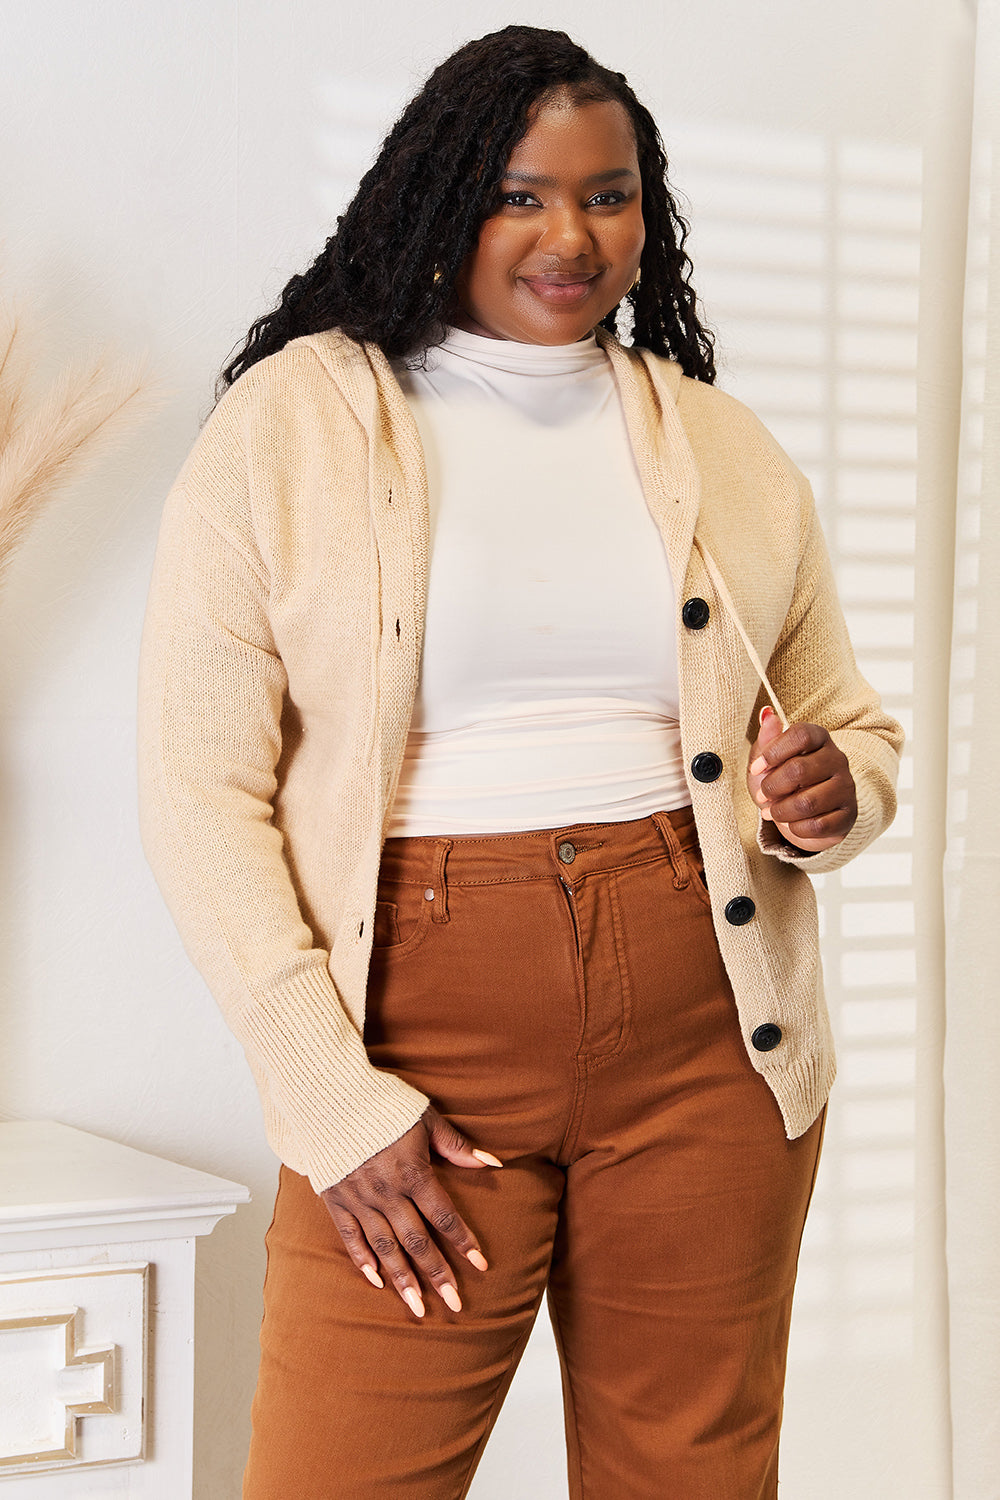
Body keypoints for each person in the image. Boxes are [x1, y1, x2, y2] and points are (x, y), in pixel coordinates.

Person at [138, 24, 903, 1500]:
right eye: (519, 194)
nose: (572, 235)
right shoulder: (294, 422)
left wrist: (830, 796)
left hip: (705, 1030)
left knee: (691, 1478)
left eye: (608, 195)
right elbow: (196, 787)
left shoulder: (720, 446)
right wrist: (332, 1099)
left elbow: (844, 724)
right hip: (414, 1039)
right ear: (439, 201)